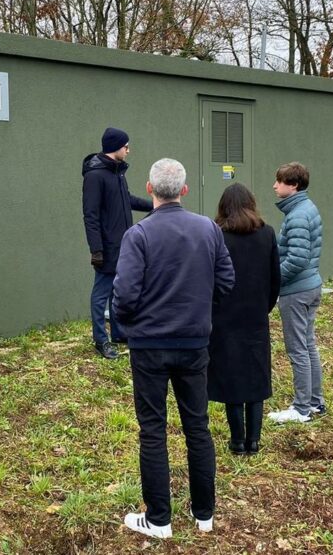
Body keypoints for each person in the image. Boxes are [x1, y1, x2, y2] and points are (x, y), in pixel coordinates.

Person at [112, 158, 234, 539]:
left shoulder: (139, 235)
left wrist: (130, 326)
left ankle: (160, 519)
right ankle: (204, 515)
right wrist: (199, 312)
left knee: (153, 430)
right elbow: (226, 282)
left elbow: (124, 295)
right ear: (183, 190)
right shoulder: (208, 230)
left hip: (149, 346)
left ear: (149, 190)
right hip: (194, 343)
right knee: (197, 426)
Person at [207, 183, 280, 455]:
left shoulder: (217, 236)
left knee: (231, 378)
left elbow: (211, 278)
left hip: (224, 318)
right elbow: (276, 279)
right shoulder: (267, 234)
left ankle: (237, 441)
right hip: (255, 317)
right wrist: (263, 308)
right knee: (256, 377)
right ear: (251, 203)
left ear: (223, 206)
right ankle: (254, 441)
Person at [81, 127, 152, 359]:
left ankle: (119, 333)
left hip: (123, 244)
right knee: (101, 293)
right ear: (116, 147)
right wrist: (96, 250)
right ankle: (100, 340)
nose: (129, 150)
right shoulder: (95, 175)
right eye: (126, 146)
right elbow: (90, 215)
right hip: (107, 247)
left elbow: (126, 199)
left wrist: (154, 204)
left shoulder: (117, 172)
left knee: (117, 290)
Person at [267, 162, 325, 424]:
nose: (275, 186)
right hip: (310, 286)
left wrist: (273, 277)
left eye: (279, 181)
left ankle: (301, 409)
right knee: (308, 345)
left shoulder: (298, 215)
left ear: (293, 185)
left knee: (298, 349)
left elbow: (298, 259)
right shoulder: (304, 208)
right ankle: (315, 403)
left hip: (297, 291)